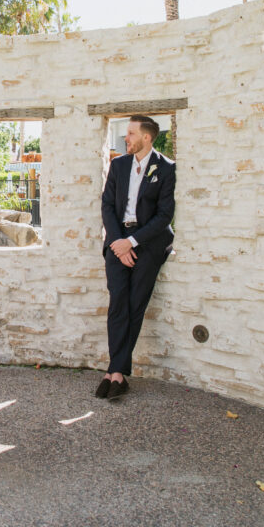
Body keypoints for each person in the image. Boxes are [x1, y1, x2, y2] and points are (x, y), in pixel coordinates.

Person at [97, 116, 176, 400]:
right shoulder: (119, 165)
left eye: (131, 134)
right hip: (118, 241)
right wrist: (119, 243)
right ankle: (118, 372)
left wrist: (132, 241)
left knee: (135, 303)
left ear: (147, 137)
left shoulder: (166, 169)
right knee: (118, 302)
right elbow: (107, 205)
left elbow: (164, 215)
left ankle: (114, 372)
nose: (126, 138)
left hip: (149, 244)